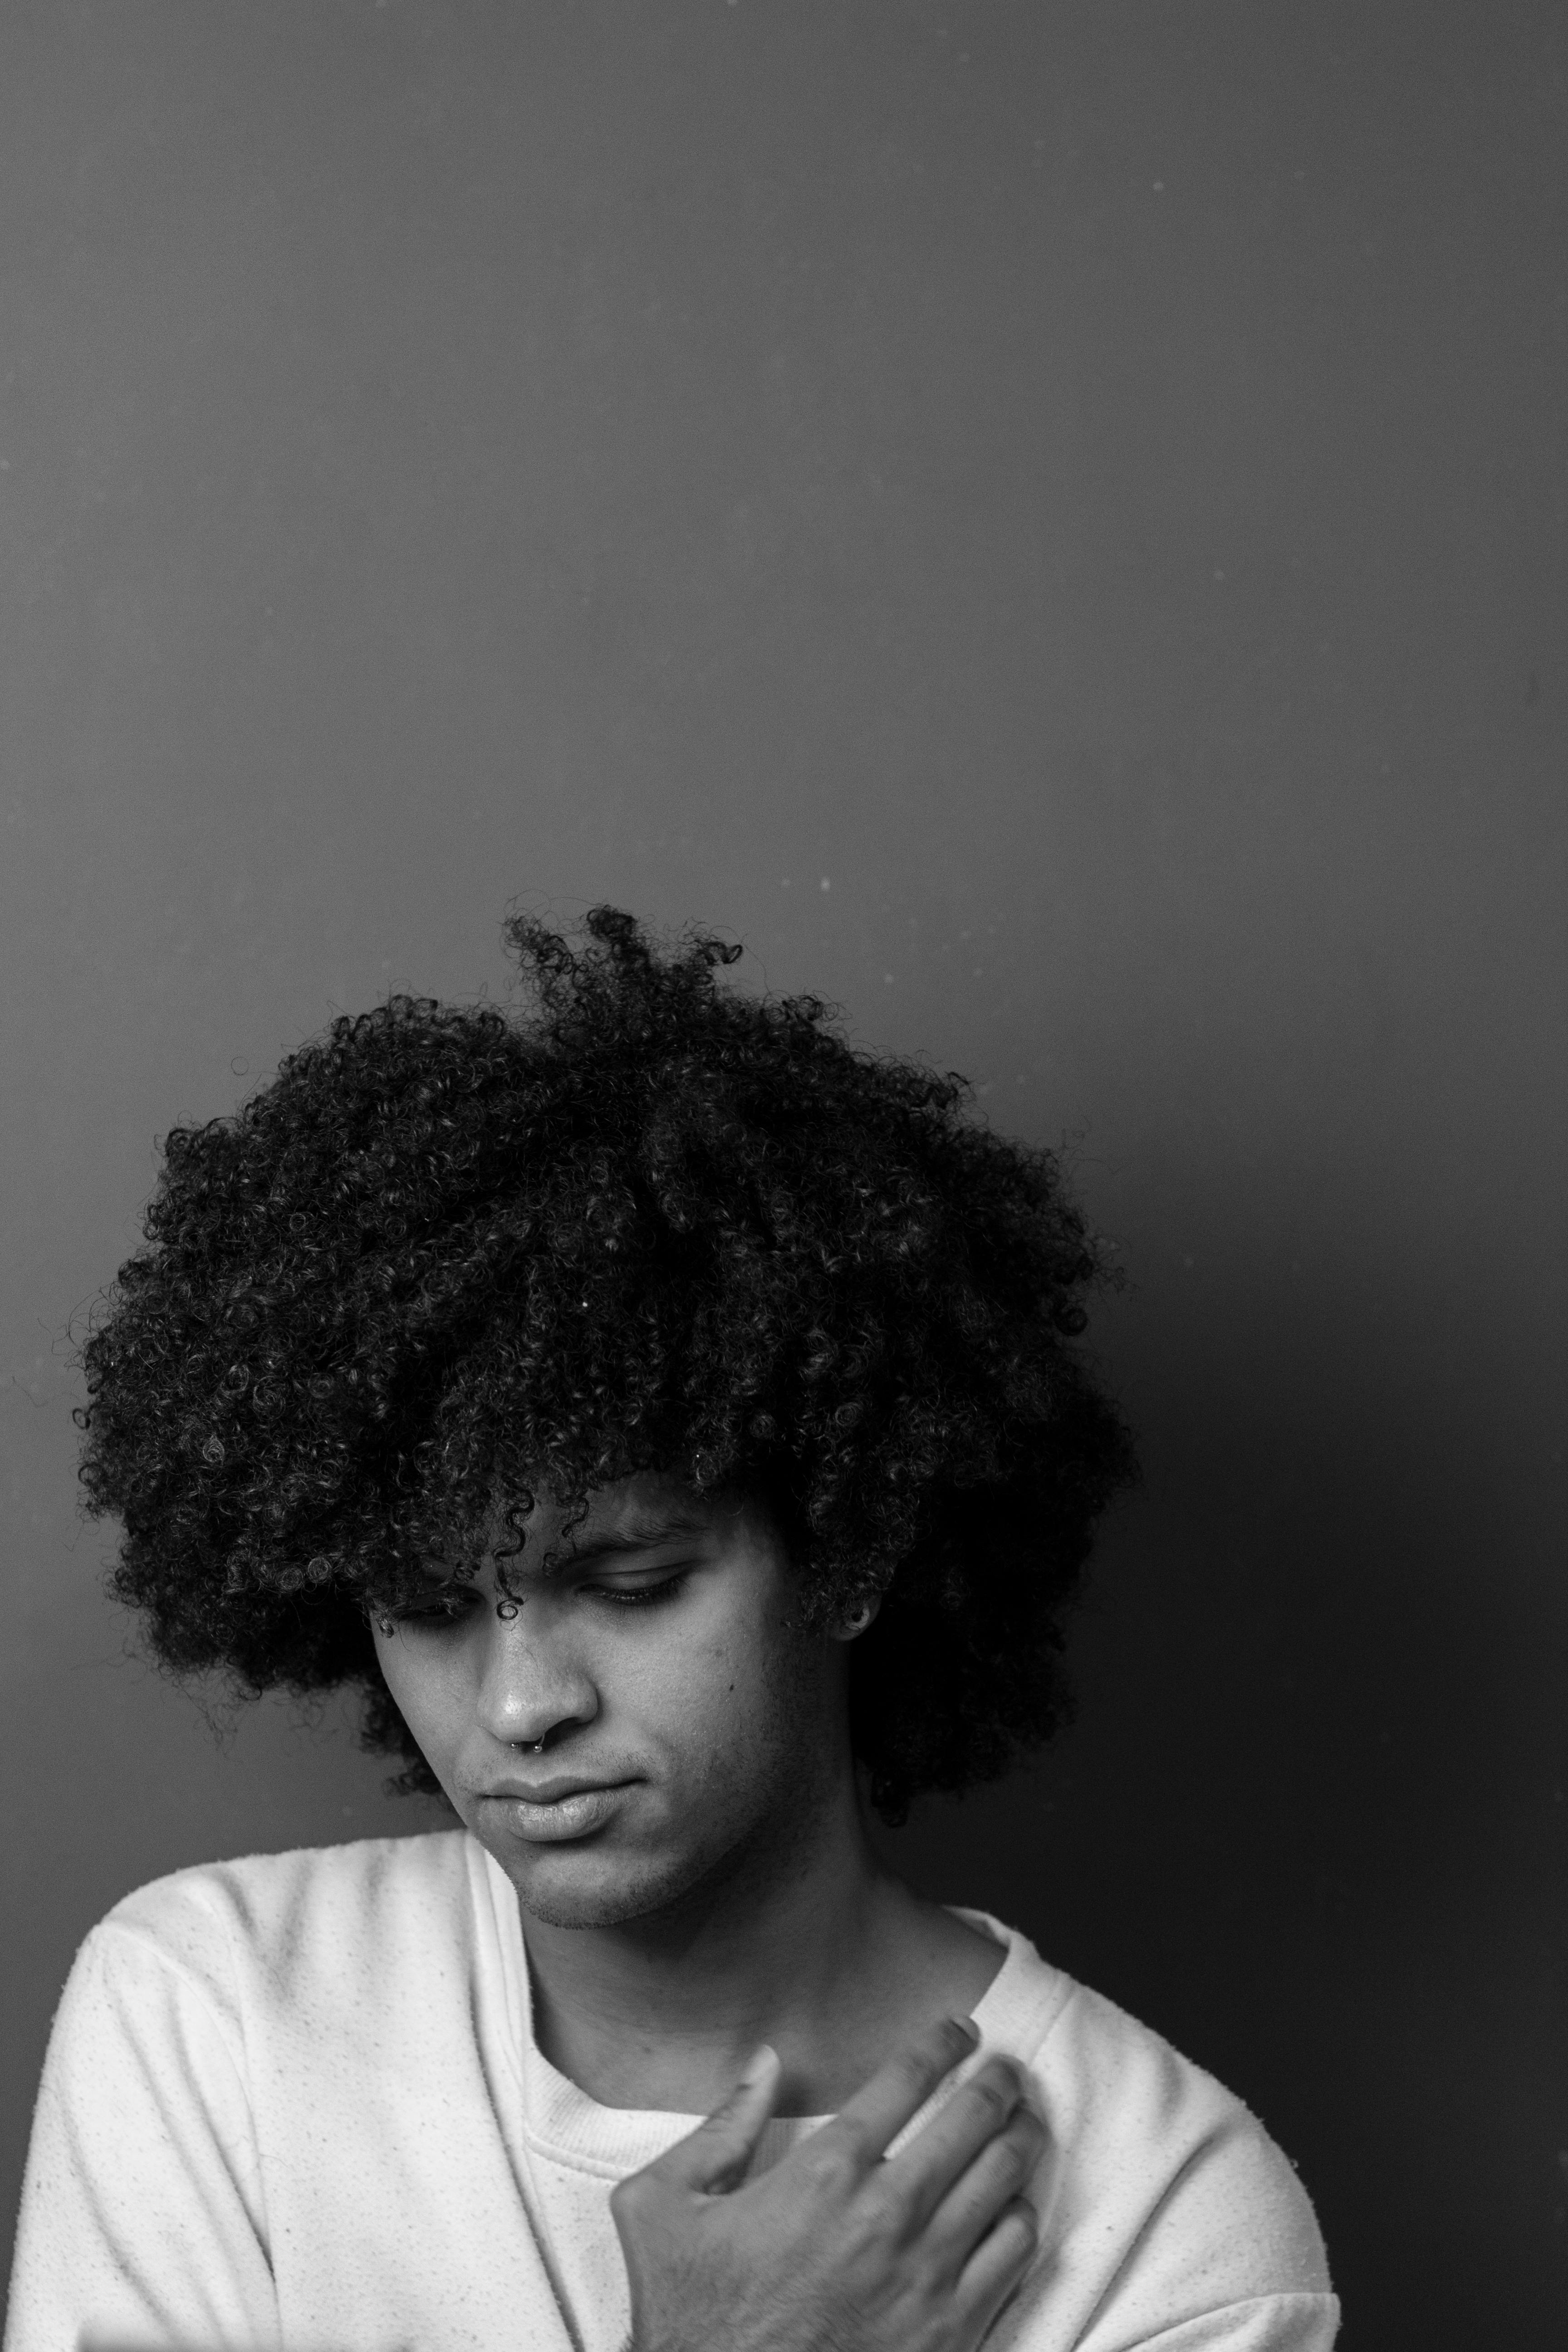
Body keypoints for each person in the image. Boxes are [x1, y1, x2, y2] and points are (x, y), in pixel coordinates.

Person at [5, 908, 1339, 2352]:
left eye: (630, 1584)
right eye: (429, 1608)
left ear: (848, 1552)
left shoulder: (1168, 2222)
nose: (520, 1707)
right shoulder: (221, 2011)